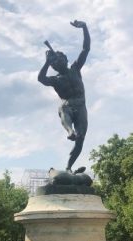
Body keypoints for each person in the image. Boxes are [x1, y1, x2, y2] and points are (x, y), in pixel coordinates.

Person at [38, 20, 90, 172]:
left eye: (60, 58)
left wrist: (84, 28)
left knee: (80, 140)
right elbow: (41, 79)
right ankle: (69, 131)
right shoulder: (55, 80)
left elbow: (86, 49)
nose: (57, 62)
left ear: (66, 59)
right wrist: (47, 63)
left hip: (81, 106)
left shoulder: (75, 69)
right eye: (54, 62)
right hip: (67, 106)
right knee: (63, 107)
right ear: (53, 66)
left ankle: (68, 167)